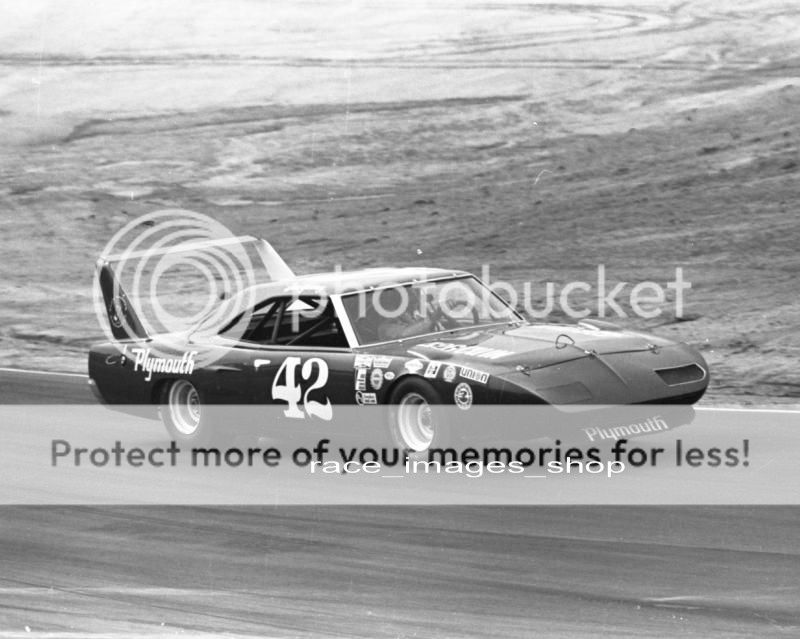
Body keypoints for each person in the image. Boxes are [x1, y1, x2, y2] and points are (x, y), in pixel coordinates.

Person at [375, 287, 442, 341]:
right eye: (410, 302)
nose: (413, 305)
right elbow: (404, 333)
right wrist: (429, 321)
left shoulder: (409, 317)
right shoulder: (385, 327)